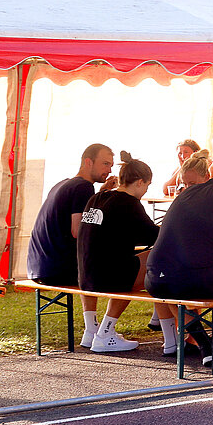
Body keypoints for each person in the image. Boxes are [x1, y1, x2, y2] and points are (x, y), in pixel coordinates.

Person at [26, 143, 118, 347]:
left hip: (39, 267)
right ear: (88, 162)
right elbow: (79, 230)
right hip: (59, 269)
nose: (109, 170)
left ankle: (91, 330)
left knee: (88, 260)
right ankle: (104, 332)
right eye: (105, 163)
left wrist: (101, 194)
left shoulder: (64, 184)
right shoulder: (83, 187)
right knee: (124, 269)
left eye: (111, 165)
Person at [76, 152, 159, 354]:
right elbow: (156, 238)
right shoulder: (129, 204)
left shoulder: (98, 197)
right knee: (157, 257)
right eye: (147, 185)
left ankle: (93, 331)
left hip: (84, 276)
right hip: (109, 277)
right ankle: (105, 333)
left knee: (126, 262)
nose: (146, 191)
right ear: (139, 182)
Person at [145, 163, 213, 360]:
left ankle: (206, 346)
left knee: (174, 281)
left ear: (210, 174)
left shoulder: (185, 195)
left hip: (156, 280)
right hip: (185, 280)